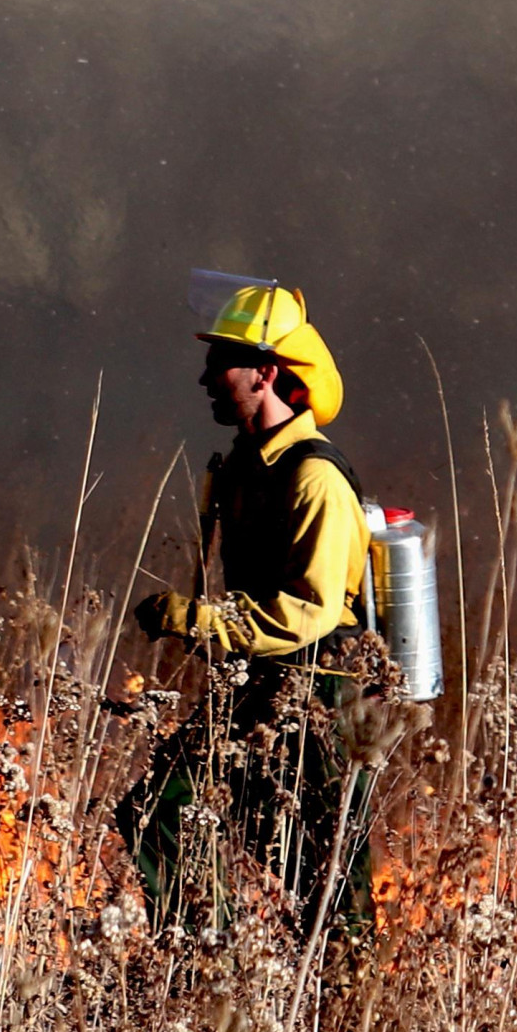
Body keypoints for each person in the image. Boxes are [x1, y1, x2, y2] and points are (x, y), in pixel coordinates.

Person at [118, 281, 385, 947]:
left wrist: (203, 621)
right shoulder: (244, 467)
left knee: (325, 873)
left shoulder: (315, 477)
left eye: (222, 363)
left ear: (265, 373)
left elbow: (311, 610)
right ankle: (207, 967)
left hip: (323, 687)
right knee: (158, 811)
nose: (206, 378)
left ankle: (347, 996)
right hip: (260, 679)